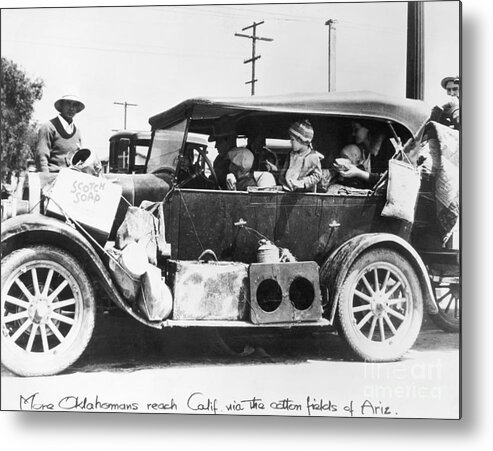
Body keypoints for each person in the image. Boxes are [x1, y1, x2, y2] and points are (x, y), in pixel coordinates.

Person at [336, 120, 395, 188]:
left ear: (367, 128)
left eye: (356, 129)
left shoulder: (386, 147)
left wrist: (358, 172)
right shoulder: (364, 149)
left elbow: (386, 180)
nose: (353, 134)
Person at [36, 94, 85, 172]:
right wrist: (46, 180)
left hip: (72, 179)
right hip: (53, 178)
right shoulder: (48, 127)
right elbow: (41, 158)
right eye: (68, 103)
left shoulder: (77, 132)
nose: (71, 108)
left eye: (75, 105)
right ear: (62, 105)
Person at [279, 119, 322, 192]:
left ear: (302, 140)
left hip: (303, 194)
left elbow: (317, 176)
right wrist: (277, 171)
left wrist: (303, 183)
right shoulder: (291, 154)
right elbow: (286, 170)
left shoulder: (312, 157)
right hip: (288, 189)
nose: (290, 142)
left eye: (292, 140)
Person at [208, 119, 237, 188]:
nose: (215, 146)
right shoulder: (219, 159)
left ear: (228, 141)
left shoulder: (238, 162)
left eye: (218, 142)